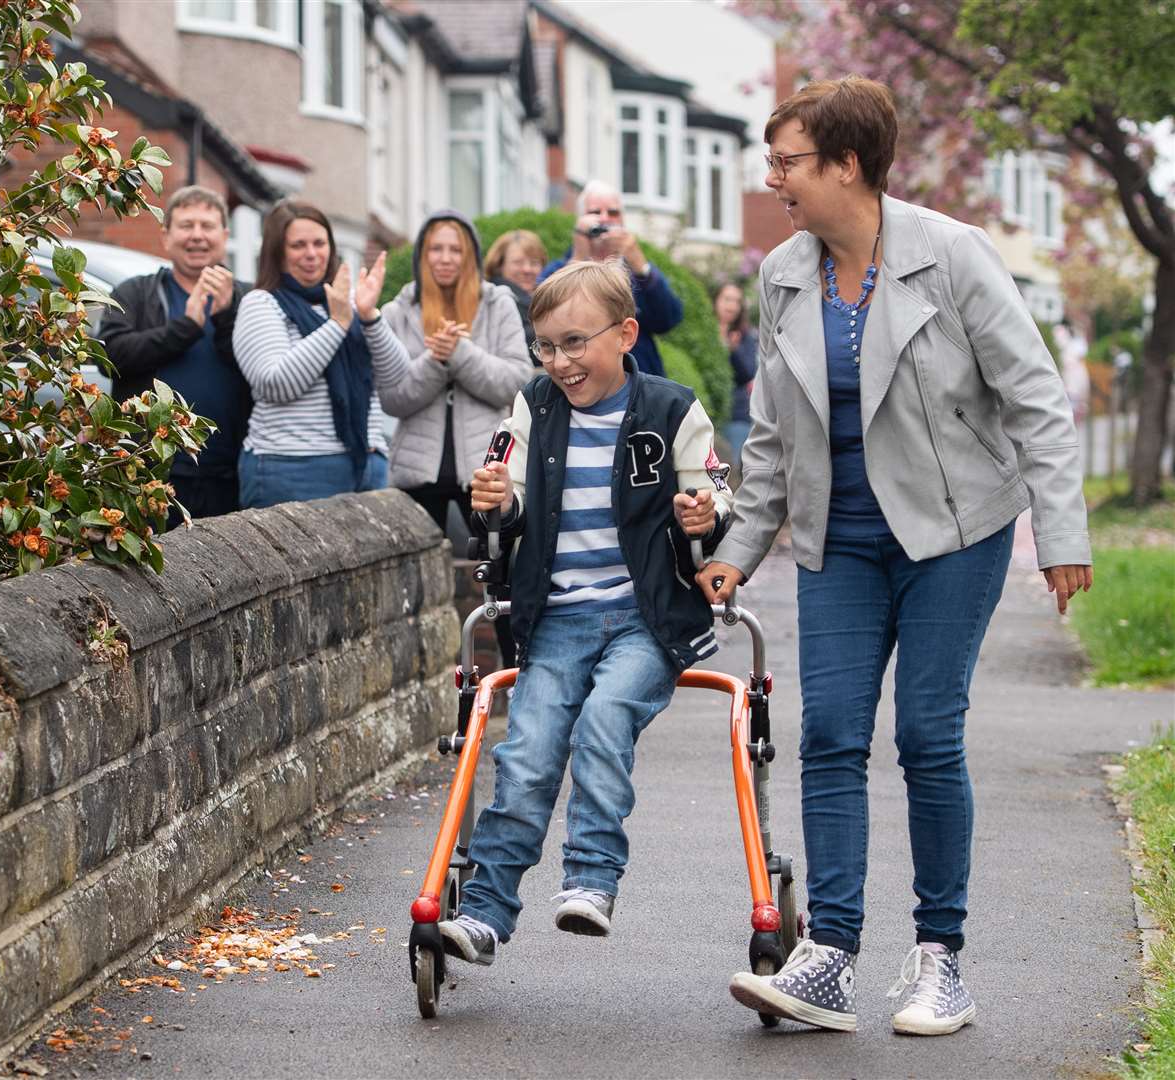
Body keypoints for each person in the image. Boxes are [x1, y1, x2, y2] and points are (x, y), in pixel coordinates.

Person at [704, 76, 1092, 1037]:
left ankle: (939, 962)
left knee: (925, 734)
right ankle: (829, 955)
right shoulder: (785, 272)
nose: (774, 178)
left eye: (788, 161)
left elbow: (1035, 399)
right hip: (837, 534)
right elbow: (771, 432)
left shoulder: (949, 255)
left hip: (951, 531)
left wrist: (1063, 537)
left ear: (846, 164)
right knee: (829, 732)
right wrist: (738, 547)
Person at [435, 259, 734, 967]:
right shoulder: (531, 406)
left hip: (645, 619)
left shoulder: (671, 409)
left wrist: (701, 514)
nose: (559, 361)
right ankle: (483, 909)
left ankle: (590, 879)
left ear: (625, 333)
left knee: (603, 722)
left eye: (575, 342)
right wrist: (494, 501)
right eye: (545, 346)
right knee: (529, 754)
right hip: (558, 619)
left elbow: (717, 494)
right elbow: (503, 495)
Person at [231, 201, 408, 507]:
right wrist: (337, 325)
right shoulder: (260, 304)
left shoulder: (348, 303)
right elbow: (276, 384)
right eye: (298, 245)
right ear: (277, 252)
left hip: (366, 464)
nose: (312, 254)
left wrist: (368, 315)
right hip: (292, 469)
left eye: (319, 243)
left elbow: (397, 377)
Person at [96, 185, 249, 523]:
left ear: (224, 236)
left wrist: (225, 318)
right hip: (149, 470)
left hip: (230, 474)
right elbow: (109, 357)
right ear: (166, 236)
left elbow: (261, 373)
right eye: (186, 225)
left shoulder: (250, 298)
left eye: (207, 226)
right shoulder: (135, 293)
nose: (197, 236)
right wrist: (187, 326)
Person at [380, 211, 534, 534]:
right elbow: (392, 398)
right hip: (415, 470)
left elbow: (517, 382)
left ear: (471, 256)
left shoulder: (498, 305)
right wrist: (435, 362)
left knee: (496, 570)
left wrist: (460, 353)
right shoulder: (397, 312)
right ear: (422, 254)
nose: (446, 259)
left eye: (456, 250)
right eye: (436, 249)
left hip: (486, 467)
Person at [538, 180, 684, 378]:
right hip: (579, 379)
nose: (605, 219)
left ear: (623, 220)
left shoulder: (636, 271)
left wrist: (641, 267)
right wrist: (579, 256)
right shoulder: (558, 269)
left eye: (613, 213)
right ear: (580, 219)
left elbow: (669, 319)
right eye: (595, 213)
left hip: (639, 380)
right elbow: (544, 314)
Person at [714, 281, 759, 466]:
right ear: (716, 301)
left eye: (736, 301)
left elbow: (748, 373)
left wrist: (733, 351)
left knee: (730, 469)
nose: (731, 305)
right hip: (708, 410)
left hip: (736, 414)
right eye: (727, 299)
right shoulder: (705, 330)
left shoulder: (745, 336)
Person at [483, 228, 547, 350]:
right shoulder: (493, 300)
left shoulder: (541, 298)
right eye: (518, 262)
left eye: (534, 263)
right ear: (498, 266)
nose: (527, 269)